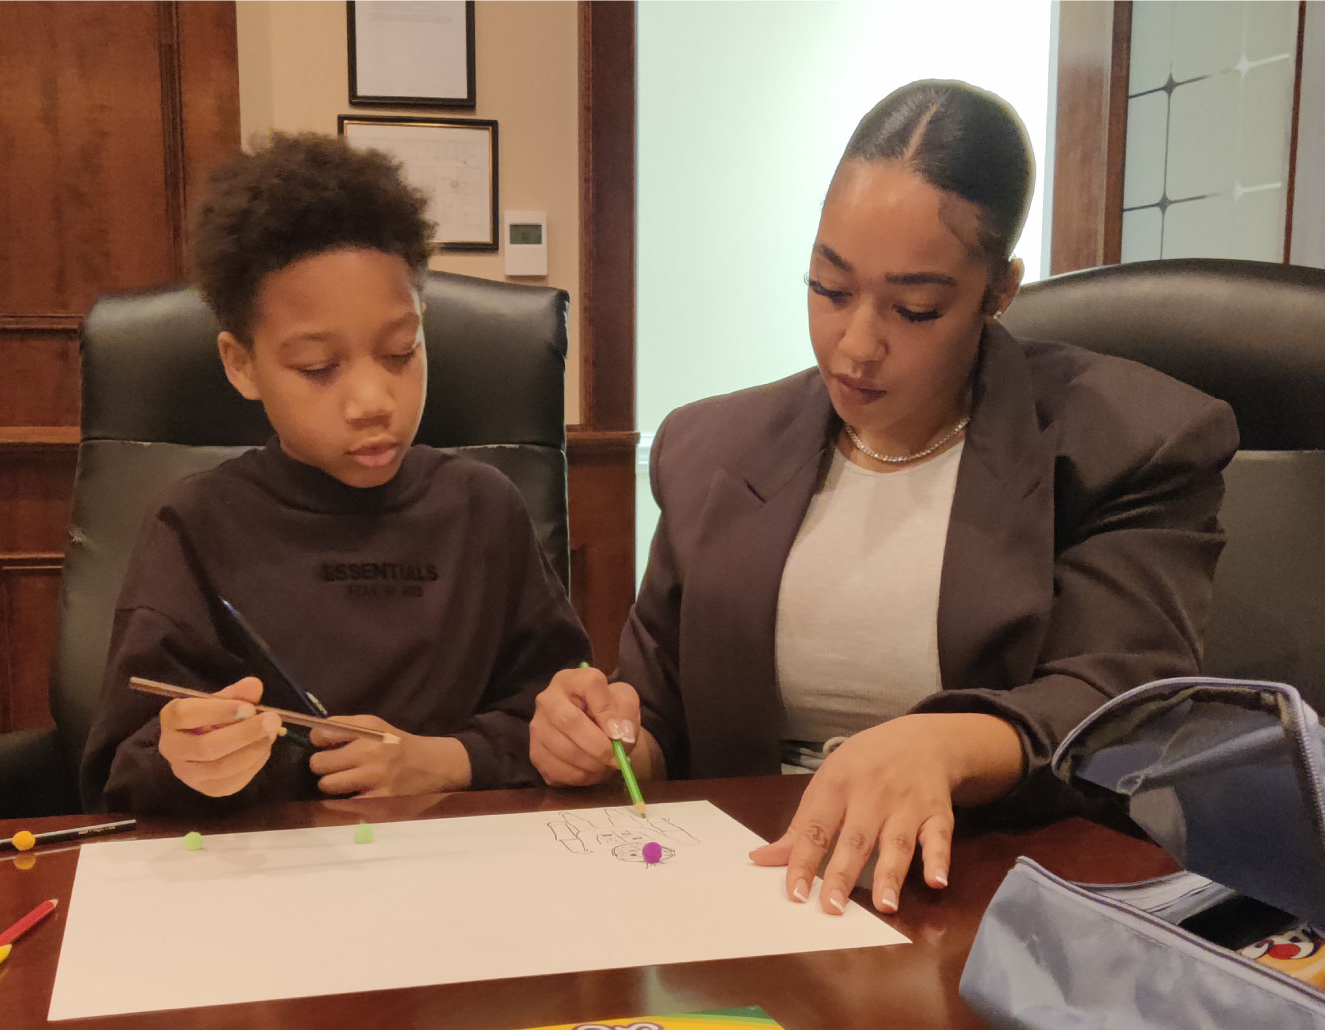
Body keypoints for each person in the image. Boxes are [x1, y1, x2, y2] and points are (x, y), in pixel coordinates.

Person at [528, 81, 1238, 917]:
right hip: (752, 889)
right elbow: (656, 723)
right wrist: (603, 738)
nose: (856, 345)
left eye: (915, 308)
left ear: (998, 293)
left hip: (988, 891)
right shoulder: (710, 449)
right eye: (829, 290)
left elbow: (1123, 699)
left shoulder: (1127, 443)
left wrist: (946, 744)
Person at [80, 132, 591, 815]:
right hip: (271, 877)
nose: (373, 402)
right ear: (240, 364)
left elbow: (559, 720)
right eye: (319, 368)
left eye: (400, 352)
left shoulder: (483, 509)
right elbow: (122, 767)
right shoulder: (194, 526)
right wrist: (192, 761)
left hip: (458, 866)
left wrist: (448, 760)